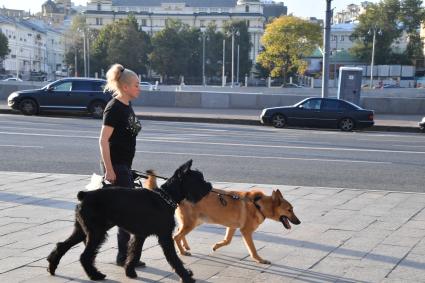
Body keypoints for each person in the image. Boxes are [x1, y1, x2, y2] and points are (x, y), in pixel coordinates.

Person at [99, 63, 144, 267]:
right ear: (125, 87)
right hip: (116, 166)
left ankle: (124, 256)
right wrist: (110, 169)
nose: (139, 88)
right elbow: (103, 140)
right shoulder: (114, 107)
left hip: (124, 165)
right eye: (136, 85)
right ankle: (124, 257)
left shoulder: (127, 105)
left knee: (126, 212)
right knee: (128, 213)